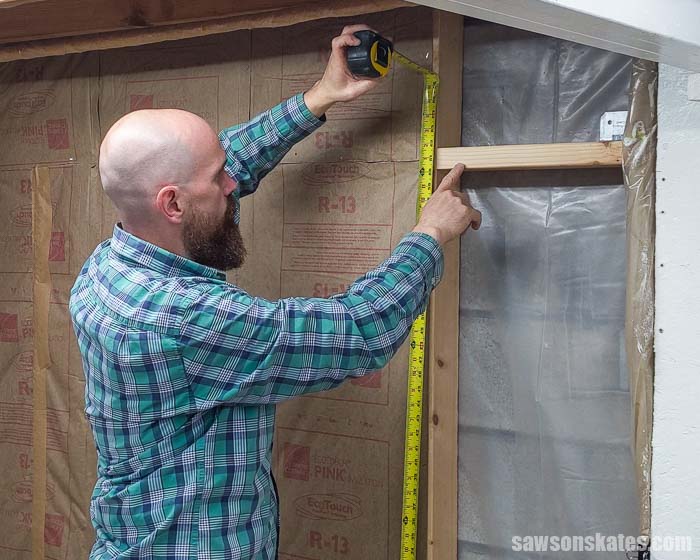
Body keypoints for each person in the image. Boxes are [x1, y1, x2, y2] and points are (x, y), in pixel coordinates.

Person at [69, 24, 481, 560]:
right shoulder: (183, 318)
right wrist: (430, 233)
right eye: (218, 178)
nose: (232, 183)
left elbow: (229, 161)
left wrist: (320, 97)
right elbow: (358, 330)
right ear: (172, 204)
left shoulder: (112, 264)